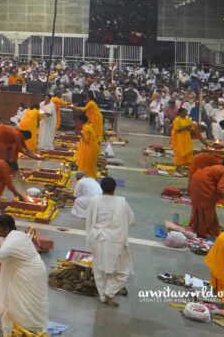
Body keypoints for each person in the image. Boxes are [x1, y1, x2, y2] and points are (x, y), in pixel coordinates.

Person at [85, 177, 135, 306]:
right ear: (114, 188)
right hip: (115, 240)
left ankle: (103, 295)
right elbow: (131, 220)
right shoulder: (121, 202)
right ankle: (109, 291)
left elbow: (89, 219)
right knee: (123, 271)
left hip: (96, 238)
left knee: (99, 269)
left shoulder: (94, 200)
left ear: (101, 188)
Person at [187, 159, 224, 238]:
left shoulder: (222, 168)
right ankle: (204, 231)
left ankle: (197, 227)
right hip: (203, 184)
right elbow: (221, 188)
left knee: (200, 207)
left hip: (196, 180)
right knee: (207, 207)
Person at [170, 106, 197, 173]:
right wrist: (186, 127)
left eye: (186, 113)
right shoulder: (177, 119)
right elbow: (177, 129)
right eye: (184, 113)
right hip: (178, 139)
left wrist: (192, 128)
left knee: (189, 152)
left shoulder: (187, 119)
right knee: (179, 153)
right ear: (180, 113)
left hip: (186, 138)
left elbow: (192, 126)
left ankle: (186, 166)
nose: (185, 114)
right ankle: (178, 167)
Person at [74, 112, 100, 178]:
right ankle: (88, 177)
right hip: (90, 148)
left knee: (88, 165)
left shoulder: (86, 128)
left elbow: (87, 140)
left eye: (78, 120)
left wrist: (80, 134)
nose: (77, 122)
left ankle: (90, 178)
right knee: (89, 166)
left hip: (90, 149)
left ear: (81, 121)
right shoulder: (86, 126)